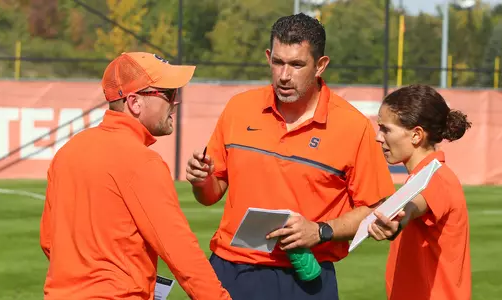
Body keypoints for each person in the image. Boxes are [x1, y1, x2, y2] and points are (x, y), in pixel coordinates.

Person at [185, 13, 395, 300]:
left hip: (306, 279)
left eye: (297, 65)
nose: (284, 75)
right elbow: (211, 194)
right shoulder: (239, 108)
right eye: (278, 62)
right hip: (231, 270)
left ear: (321, 65)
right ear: (269, 56)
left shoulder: (352, 126)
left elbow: (375, 207)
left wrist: (320, 231)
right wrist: (201, 180)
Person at [39, 52, 231, 300]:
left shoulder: (69, 151)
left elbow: (48, 240)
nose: (175, 102)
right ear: (135, 102)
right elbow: (181, 253)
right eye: (168, 94)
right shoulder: (143, 162)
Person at [368, 84, 472, 300]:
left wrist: (398, 218)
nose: (379, 137)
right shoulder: (422, 176)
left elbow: (415, 204)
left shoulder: (437, 179)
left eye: (386, 129)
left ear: (416, 135)